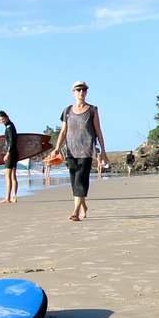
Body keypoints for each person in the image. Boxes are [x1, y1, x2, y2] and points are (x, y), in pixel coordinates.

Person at [51, 80, 106, 221]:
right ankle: (83, 206)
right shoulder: (67, 110)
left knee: (81, 180)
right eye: (78, 90)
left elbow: (98, 130)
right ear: (73, 92)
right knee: (74, 181)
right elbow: (63, 131)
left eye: (84, 90)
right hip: (71, 150)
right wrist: (57, 148)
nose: (81, 92)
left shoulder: (92, 110)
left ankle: (75, 212)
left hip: (87, 150)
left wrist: (103, 150)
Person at [0, 110, 19, 204]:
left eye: (2, 119)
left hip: (11, 154)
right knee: (13, 176)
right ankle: (14, 197)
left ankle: (7, 198)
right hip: (15, 153)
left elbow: (11, 141)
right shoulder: (11, 125)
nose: (1, 121)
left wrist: (7, 153)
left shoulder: (9, 127)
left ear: (7, 117)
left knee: (8, 176)